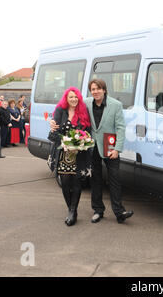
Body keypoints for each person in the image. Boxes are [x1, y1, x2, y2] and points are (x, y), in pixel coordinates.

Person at [51, 79, 133, 224]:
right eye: (93, 89)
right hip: (91, 147)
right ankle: (98, 210)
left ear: (104, 90)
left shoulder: (116, 105)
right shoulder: (86, 103)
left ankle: (119, 212)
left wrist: (117, 148)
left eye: (98, 89)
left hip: (110, 147)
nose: (95, 91)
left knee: (114, 179)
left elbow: (120, 127)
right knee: (95, 180)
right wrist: (52, 122)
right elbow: (65, 108)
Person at [49, 87, 92, 226]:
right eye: (71, 97)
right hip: (63, 154)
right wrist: (64, 141)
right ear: (66, 99)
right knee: (65, 183)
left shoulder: (83, 112)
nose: (74, 99)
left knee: (77, 183)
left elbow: (87, 132)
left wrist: (80, 142)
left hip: (78, 154)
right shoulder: (60, 111)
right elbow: (53, 134)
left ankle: (73, 211)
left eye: (75, 97)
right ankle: (70, 208)